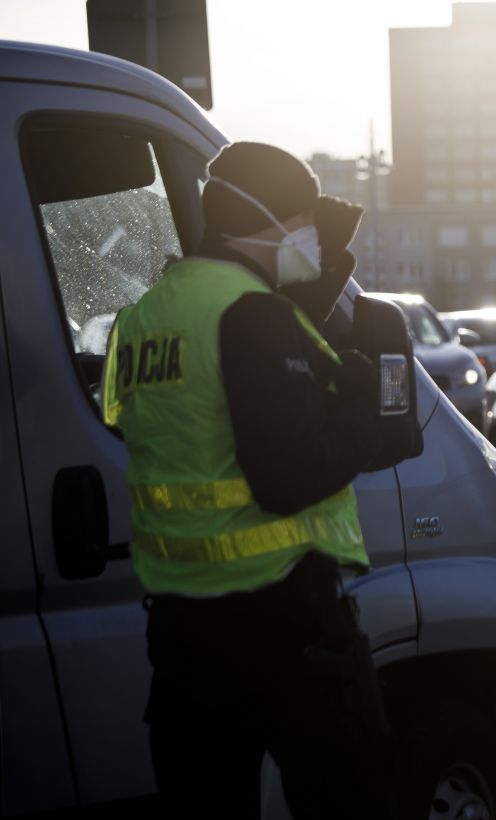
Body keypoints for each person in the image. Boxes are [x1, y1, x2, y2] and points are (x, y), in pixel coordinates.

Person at [102, 142, 392, 819]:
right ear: (271, 220)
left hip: (184, 638)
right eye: (306, 222)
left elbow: (174, 413)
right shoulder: (251, 314)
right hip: (286, 627)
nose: (312, 237)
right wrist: (359, 415)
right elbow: (287, 477)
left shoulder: (142, 319)